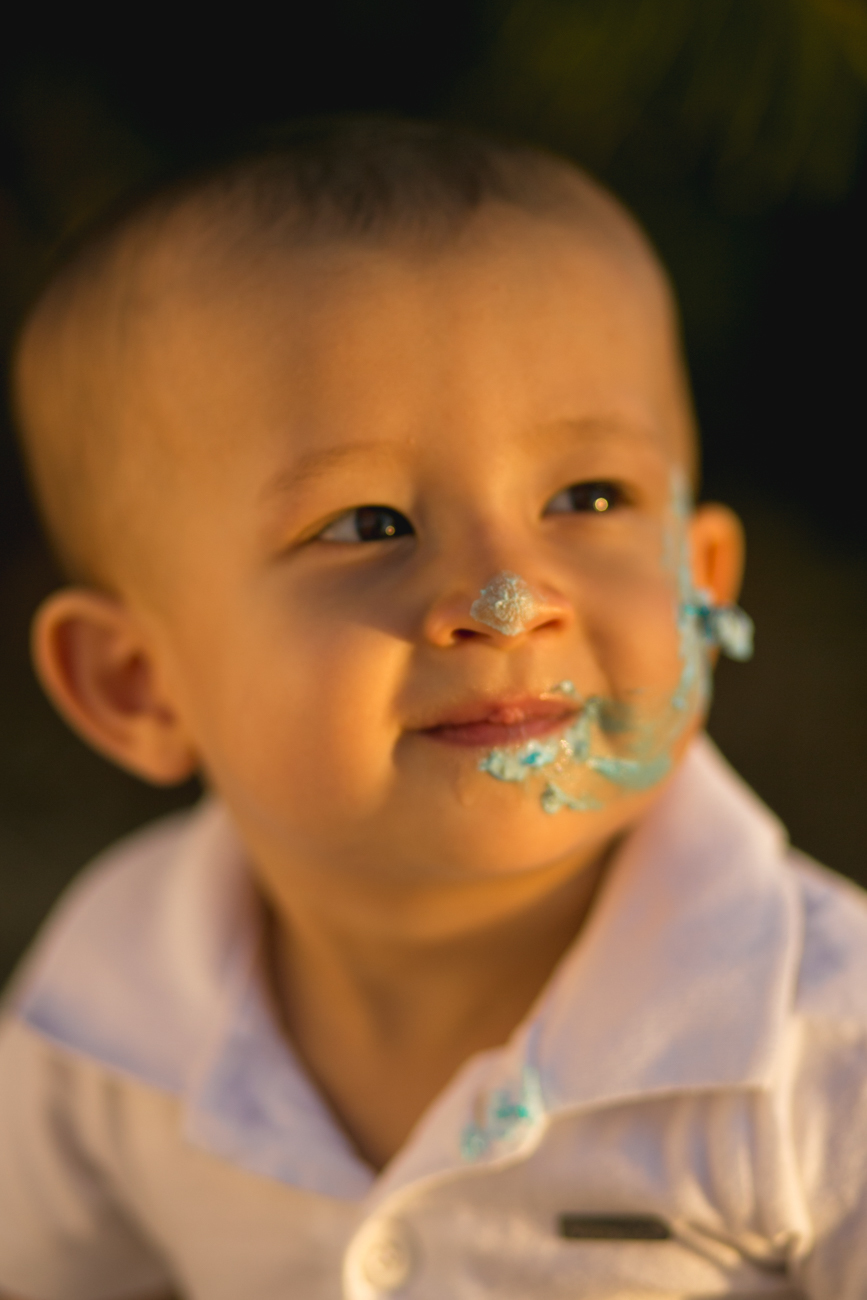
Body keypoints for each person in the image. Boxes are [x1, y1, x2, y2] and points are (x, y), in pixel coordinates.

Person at [0, 117, 864, 1300]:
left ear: (703, 589)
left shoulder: (818, 1046)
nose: (508, 603)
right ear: (138, 685)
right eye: (366, 526)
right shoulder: (114, 1006)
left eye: (589, 494)